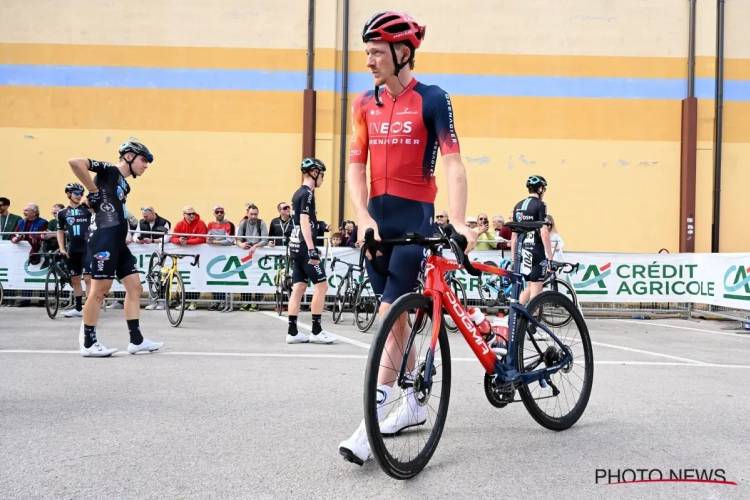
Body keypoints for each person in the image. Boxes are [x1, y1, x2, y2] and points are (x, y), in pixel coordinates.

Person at [339, 11, 477, 466]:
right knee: (398, 321)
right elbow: (355, 167)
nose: (369, 61)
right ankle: (416, 402)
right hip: (376, 226)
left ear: (403, 53)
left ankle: (370, 424)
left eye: (376, 52)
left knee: (387, 317)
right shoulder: (364, 103)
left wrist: (456, 223)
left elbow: (453, 164)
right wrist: (361, 216)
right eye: (367, 53)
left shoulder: (434, 99)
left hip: (415, 223)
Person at [68, 141, 164, 357]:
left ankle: (136, 341)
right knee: (100, 290)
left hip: (119, 241)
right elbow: (75, 163)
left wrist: (92, 200)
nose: (146, 165)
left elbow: (96, 202)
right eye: (143, 160)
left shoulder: (124, 183)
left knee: (135, 287)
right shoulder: (109, 169)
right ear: (129, 156)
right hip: (104, 238)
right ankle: (89, 343)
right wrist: (92, 190)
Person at [286, 158, 335, 345]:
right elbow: (304, 222)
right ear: (314, 173)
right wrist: (312, 249)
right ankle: (316, 330)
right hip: (305, 248)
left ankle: (292, 332)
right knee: (322, 286)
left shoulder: (297, 193)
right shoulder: (307, 194)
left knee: (299, 287)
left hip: (296, 247)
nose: (322, 178)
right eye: (322, 175)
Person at [510, 175, 554, 306]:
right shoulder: (541, 205)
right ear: (540, 189)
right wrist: (550, 259)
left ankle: (514, 317)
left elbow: (514, 236)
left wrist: (514, 260)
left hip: (523, 251)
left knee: (528, 288)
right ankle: (532, 322)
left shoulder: (518, 205)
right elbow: (544, 233)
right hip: (536, 250)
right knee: (536, 290)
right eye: (544, 189)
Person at [56, 183, 92, 318]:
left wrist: (88, 201)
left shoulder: (88, 210)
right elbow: (60, 231)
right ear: (68, 194)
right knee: (75, 279)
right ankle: (78, 308)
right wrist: (62, 248)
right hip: (73, 248)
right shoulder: (62, 213)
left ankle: (89, 307)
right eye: (76, 193)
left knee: (88, 278)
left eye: (81, 193)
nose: (79, 195)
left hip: (87, 247)